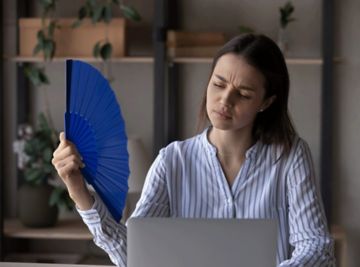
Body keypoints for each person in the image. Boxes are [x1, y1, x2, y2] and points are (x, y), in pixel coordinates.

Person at [52, 33, 335, 267]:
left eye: (244, 94)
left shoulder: (290, 156)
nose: (225, 100)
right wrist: (78, 189)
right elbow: (135, 256)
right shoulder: (173, 161)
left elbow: (317, 249)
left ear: (266, 102)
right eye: (218, 84)